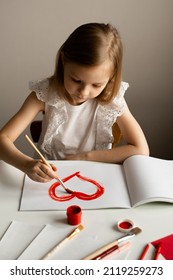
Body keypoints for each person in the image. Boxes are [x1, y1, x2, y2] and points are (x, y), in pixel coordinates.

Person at [0, 23, 149, 183]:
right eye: (76, 80)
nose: (84, 92)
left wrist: (84, 157)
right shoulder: (45, 94)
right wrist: (27, 164)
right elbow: (3, 139)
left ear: (111, 77)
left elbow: (141, 149)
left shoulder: (112, 98)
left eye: (97, 85)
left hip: (95, 178)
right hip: (49, 180)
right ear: (64, 61)